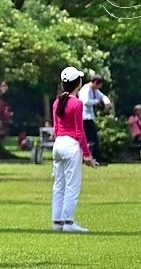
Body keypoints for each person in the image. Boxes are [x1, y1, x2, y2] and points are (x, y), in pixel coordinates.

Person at [52, 66, 96, 233]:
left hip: (59, 144)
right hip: (70, 145)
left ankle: (57, 221)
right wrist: (87, 154)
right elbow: (79, 132)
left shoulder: (57, 102)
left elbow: (56, 128)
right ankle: (68, 222)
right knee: (72, 185)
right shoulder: (76, 104)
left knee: (59, 184)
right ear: (78, 83)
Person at [78, 74, 111, 164]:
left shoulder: (95, 90)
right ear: (96, 82)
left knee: (91, 139)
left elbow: (103, 96)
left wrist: (107, 102)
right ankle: (95, 158)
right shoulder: (85, 89)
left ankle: (92, 158)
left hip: (90, 117)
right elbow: (85, 101)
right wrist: (97, 101)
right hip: (84, 117)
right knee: (92, 139)